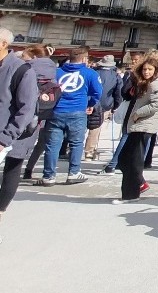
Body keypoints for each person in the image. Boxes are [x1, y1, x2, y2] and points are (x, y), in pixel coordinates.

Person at [37, 45, 102, 186]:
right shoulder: (90, 73)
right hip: (77, 111)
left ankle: (48, 176)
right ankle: (73, 173)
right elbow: (97, 93)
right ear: (84, 59)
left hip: (56, 111)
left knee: (52, 145)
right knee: (76, 143)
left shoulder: (57, 72)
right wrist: (90, 103)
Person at [0, 28, 39, 239]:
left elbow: (26, 108)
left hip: (13, 134)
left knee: (12, 170)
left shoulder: (22, 71)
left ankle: (1, 210)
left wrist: (5, 138)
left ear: (4, 44)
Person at [113, 54, 158, 204]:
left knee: (132, 160)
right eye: (144, 69)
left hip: (144, 125)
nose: (146, 72)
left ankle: (131, 194)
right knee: (125, 159)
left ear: (155, 70)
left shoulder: (154, 84)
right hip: (137, 126)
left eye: (150, 69)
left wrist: (139, 113)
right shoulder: (145, 83)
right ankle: (138, 185)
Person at [19, 44, 59, 181]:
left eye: (24, 56)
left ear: (34, 57)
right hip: (46, 111)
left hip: (24, 110)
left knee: (16, 142)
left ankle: (13, 168)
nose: (22, 58)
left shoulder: (26, 69)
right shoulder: (53, 70)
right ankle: (28, 169)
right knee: (40, 143)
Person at [84, 54, 120, 164]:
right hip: (105, 104)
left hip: (88, 102)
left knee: (83, 126)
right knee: (96, 127)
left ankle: (75, 148)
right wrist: (116, 106)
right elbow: (118, 93)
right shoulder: (115, 76)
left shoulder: (93, 72)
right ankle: (89, 151)